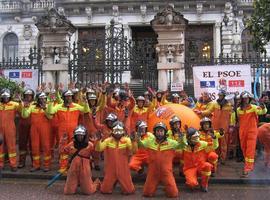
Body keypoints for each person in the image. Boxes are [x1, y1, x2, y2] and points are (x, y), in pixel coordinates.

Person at [137, 122, 182, 198]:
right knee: (147, 193)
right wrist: (136, 138)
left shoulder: (171, 142)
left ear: (165, 132)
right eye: (157, 131)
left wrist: (182, 138)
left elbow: (181, 146)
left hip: (167, 172)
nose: (159, 133)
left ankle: (168, 189)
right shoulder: (149, 141)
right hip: (153, 172)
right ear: (154, 132)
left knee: (173, 194)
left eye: (161, 131)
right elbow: (141, 144)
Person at [95, 121, 135, 195]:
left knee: (129, 191)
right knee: (105, 191)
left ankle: (117, 183)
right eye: (116, 130)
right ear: (112, 131)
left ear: (123, 131)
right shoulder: (108, 140)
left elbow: (133, 150)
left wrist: (134, 141)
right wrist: (98, 140)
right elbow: (99, 149)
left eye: (119, 130)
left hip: (123, 169)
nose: (118, 133)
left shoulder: (127, 140)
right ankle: (98, 183)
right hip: (110, 169)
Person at [60, 125, 100, 195]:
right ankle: (76, 183)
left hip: (85, 168)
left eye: (81, 135)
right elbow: (62, 151)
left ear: (84, 135)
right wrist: (63, 141)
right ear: (75, 135)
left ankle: (97, 183)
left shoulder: (90, 145)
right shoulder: (71, 144)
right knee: (68, 192)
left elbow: (96, 155)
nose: (80, 137)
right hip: (73, 167)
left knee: (88, 192)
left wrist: (96, 142)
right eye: (78, 135)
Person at [237, 91, 267, 177]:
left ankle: (248, 168)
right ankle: (248, 164)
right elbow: (239, 120)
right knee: (244, 149)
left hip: (252, 132)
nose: (246, 100)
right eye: (244, 98)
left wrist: (263, 107)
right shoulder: (239, 109)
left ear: (249, 99)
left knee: (250, 150)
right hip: (242, 132)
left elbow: (262, 112)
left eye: (247, 98)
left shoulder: (253, 107)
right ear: (242, 99)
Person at [22, 92, 52, 172]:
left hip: (45, 129)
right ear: (38, 99)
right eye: (41, 98)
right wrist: (25, 107)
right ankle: (36, 165)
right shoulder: (32, 106)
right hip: (34, 129)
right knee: (35, 147)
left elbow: (50, 116)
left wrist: (45, 108)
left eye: (44, 98)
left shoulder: (48, 106)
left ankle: (47, 165)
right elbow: (25, 115)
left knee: (46, 147)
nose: (43, 100)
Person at [182, 127, 213, 192]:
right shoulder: (183, 146)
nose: (197, 139)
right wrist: (180, 140)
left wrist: (214, 138)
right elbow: (177, 153)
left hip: (200, 166)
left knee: (207, 166)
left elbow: (213, 146)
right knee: (192, 184)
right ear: (189, 138)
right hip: (189, 168)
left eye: (197, 137)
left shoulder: (202, 143)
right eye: (194, 138)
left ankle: (204, 185)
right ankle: (193, 180)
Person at [0, 89, 20, 171]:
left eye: (7, 97)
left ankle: (13, 164)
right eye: (4, 97)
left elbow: (22, 111)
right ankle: (1, 164)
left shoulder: (14, 104)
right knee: (0, 147)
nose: (5, 98)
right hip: (0, 129)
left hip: (10, 128)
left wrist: (20, 100)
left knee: (11, 147)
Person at [18, 89, 35, 168]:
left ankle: (34, 162)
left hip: (32, 126)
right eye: (26, 95)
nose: (28, 97)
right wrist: (21, 103)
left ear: (32, 96)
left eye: (30, 95)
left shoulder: (35, 104)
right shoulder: (20, 103)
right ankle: (21, 162)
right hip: (22, 126)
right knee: (22, 144)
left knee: (33, 145)